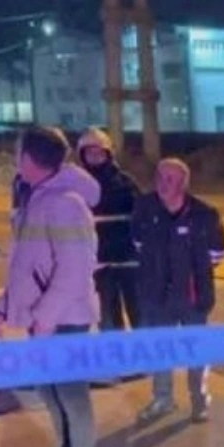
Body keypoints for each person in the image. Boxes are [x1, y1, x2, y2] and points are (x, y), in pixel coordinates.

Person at [0, 127, 102, 447]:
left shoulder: (67, 203)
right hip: (46, 320)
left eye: (18, 151)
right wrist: (3, 307)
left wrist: (47, 318)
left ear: (30, 158)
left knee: (71, 397)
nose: (14, 158)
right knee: (52, 395)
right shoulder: (36, 197)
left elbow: (75, 270)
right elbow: (25, 267)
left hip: (66, 319)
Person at [132, 158, 224, 425]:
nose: (163, 184)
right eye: (160, 177)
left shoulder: (205, 214)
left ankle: (199, 400)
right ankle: (163, 399)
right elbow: (137, 243)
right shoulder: (145, 208)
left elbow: (218, 254)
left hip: (193, 298)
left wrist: (192, 277)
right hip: (157, 296)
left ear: (184, 183)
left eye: (170, 179)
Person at [76, 127, 141, 333]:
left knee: (140, 315)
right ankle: (116, 352)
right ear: (82, 155)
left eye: (100, 153)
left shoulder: (125, 183)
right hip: (98, 262)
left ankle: (144, 351)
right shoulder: (76, 185)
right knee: (108, 319)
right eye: (90, 153)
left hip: (129, 260)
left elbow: (142, 218)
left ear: (108, 154)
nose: (95, 157)